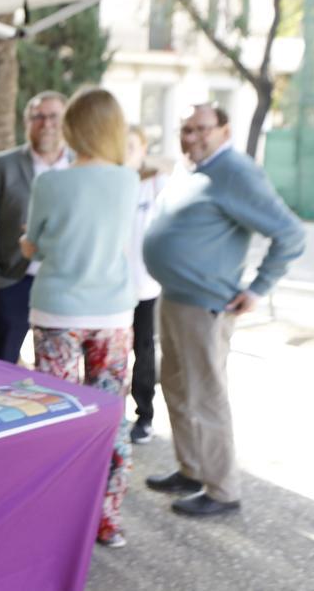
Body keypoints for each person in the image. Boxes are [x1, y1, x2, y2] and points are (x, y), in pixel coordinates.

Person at [143, 104, 305, 517]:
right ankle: (191, 469)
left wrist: (258, 289)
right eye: (185, 129)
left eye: (201, 129)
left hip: (206, 305)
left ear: (224, 130)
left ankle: (222, 489)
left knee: (206, 397)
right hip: (176, 299)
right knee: (176, 389)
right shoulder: (193, 169)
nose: (191, 137)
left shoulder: (236, 171)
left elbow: (289, 234)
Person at [19, 87, 139, 548]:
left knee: (59, 415)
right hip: (111, 313)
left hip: (57, 311)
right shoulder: (128, 180)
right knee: (111, 413)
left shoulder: (51, 182)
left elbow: (36, 245)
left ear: (73, 126)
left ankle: (57, 514)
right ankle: (107, 519)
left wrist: (28, 242)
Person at [0, 90, 71, 364]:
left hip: (65, 283)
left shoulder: (80, 167)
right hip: (13, 280)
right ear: (27, 122)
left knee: (58, 367)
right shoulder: (1, 165)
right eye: (38, 116)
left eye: (53, 116)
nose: (46, 123)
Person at [125, 127, 168, 444]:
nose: (125, 152)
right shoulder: (110, 183)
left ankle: (144, 415)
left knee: (143, 351)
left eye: (131, 146)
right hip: (111, 290)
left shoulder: (155, 183)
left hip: (145, 286)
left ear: (143, 149)